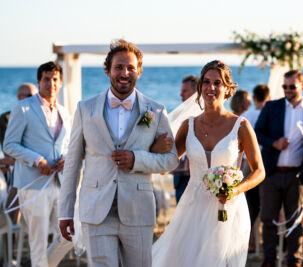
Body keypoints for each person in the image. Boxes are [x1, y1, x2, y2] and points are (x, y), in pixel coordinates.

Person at [58, 39, 179, 267]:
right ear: (108, 71)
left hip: (138, 210)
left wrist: (137, 159)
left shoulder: (155, 111)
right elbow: (73, 164)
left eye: (131, 68)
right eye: (118, 67)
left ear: (139, 71)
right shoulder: (86, 109)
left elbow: (171, 159)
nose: (125, 73)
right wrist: (65, 212)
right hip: (96, 211)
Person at [152, 60, 265, 267]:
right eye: (206, 82)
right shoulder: (189, 125)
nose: (210, 88)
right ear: (200, 87)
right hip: (192, 207)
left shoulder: (241, 126)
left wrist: (236, 189)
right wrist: (156, 146)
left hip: (228, 208)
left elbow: (259, 171)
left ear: (228, 89)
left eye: (217, 83)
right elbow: (165, 165)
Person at [3, 62, 73, 267]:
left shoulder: (64, 111)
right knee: (38, 242)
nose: (50, 83)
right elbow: (9, 144)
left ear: (60, 83)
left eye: (55, 79)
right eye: (46, 79)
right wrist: (37, 159)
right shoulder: (23, 108)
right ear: (39, 81)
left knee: (69, 234)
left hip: (59, 183)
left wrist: (66, 158)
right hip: (32, 185)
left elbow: (67, 144)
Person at [255, 70, 303, 267]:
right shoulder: (272, 107)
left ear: (302, 87)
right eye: (285, 87)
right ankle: (269, 261)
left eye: (292, 87)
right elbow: (257, 133)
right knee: (268, 219)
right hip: (272, 173)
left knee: (294, 222)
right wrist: (274, 143)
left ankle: (294, 261)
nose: (287, 90)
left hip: (297, 175)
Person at [0, 83, 38, 223]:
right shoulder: (7, 118)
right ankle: (13, 232)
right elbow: (10, 152)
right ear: (19, 97)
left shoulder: (41, 117)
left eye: (36, 96)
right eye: (29, 96)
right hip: (18, 168)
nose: (33, 99)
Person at [241, 83, 270, 253]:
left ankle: (250, 241)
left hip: (247, 163)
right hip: (264, 163)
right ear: (269, 97)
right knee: (266, 205)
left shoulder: (247, 115)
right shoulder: (270, 114)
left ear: (254, 98)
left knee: (248, 206)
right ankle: (263, 242)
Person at [173, 75, 199, 203]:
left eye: (184, 91)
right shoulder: (179, 113)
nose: (180, 94)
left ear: (195, 92)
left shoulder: (203, 114)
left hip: (196, 175)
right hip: (179, 173)